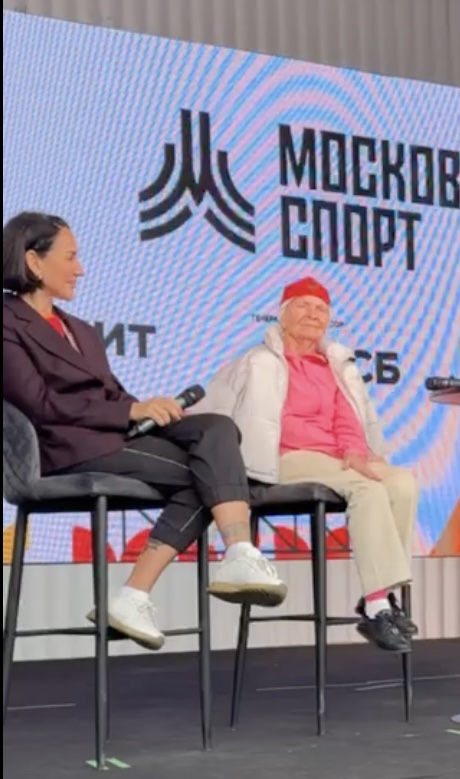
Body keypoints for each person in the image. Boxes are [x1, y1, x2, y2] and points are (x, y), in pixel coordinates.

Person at [2, 212, 287, 651]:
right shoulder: (7, 321)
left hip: (110, 436)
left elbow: (113, 395)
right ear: (34, 261)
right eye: (71, 257)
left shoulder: (82, 331)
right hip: (61, 448)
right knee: (209, 476)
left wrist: (149, 408)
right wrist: (129, 411)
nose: (80, 269)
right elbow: (37, 403)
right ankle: (139, 593)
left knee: (216, 429)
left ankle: (235, 555)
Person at [194, 276, 418, 653]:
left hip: (331, 458)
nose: (313, 314)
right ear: (282, 315)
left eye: (321, 309)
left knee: (402, 482)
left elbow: (348, 419)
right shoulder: (258, 361)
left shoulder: (335, 365)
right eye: (303, 306)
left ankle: (381, 594)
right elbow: (215, 410)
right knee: (367, 488)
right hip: (279, 458)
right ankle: (378, 605)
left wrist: (355, 450)